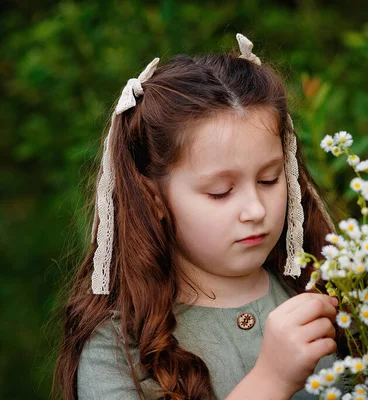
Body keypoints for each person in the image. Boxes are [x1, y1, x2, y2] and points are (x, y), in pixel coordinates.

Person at [53, 34, 348, 400]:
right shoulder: (118, 347)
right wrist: (271, 381)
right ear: (154, 197)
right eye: (220, 192)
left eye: (269, 179)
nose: (256, 210)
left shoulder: (327, 289)